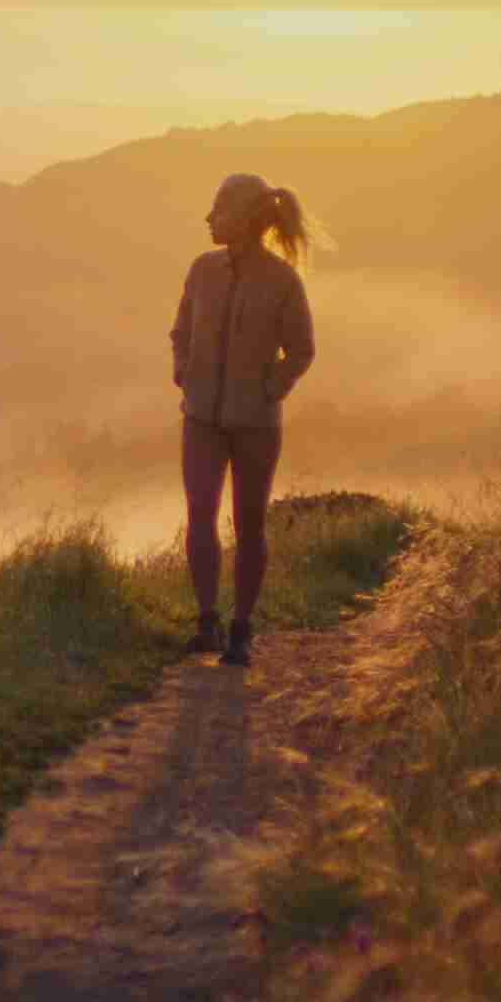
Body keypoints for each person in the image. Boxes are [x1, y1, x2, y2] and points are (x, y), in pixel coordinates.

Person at [170, 173, 316, 667]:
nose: (209, 219)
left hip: (256, 424)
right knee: (200, 516)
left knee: (249, 524)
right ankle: (207, 622)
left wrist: (266, 391)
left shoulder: (282, 281)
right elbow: (180, 330)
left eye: (219, 210)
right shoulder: (201, 270)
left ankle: (242, 630)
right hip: (202, 418)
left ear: (247, 219)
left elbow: (301, 351)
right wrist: (184, 374)